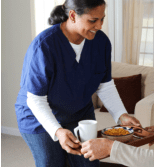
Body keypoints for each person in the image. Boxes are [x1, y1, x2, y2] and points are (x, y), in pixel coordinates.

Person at [15, 0, 141, 167]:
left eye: (102, 19)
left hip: (79, 114)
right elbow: (35, 99)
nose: (99, 26)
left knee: (89, 162)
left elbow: (104, 85)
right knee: (51, 162)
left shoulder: (101, 42)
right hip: (38, 117)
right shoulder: (44, 45)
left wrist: (121, 115)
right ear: (73, 15)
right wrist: (57, 130)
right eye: (93, 20)